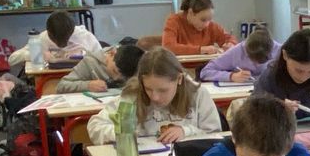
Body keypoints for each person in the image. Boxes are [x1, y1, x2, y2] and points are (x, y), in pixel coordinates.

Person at [85, 46, 221, 146]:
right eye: (148, 89)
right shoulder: (133, 95)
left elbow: (216, 135)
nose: (155, 97)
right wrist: (120, 132)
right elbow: (95, 125)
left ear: (179, 79)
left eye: (163, 90)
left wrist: (186, 131)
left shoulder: (197, 94)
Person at [19, 10, 103, 72]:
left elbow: (102, 60)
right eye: (56, 40)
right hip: (50, 77)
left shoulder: (84, 36)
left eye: (66, 38)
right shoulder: (43, 37)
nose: (62, 44)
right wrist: (38, 54)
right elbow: (13, 58)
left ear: (72, 31)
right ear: (49, 33)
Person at [61, 38, 142, 94]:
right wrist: (88, 85)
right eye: (114, 71)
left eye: (123, 77)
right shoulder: (90, 61)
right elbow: (62, 85)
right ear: (111, 54)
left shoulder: (137, 62)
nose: (116, 78)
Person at [162, 0, 236, 55]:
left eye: (210, 19)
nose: (206, 25)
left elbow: (229, 38)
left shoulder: (210, 25)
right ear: (191, 13)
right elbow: (168, 47)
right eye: (203, 20)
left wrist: (231, 44)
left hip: (205, 66)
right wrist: (201, 50)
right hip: (181, 66)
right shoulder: (174, 21)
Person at [198, 28, 276, 85]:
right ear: (246, 50)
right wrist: (231, 76)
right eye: (253, 59)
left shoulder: (279, 50)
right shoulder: (237, 51)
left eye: (262, 61)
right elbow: (205, 72)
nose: (257, 65)